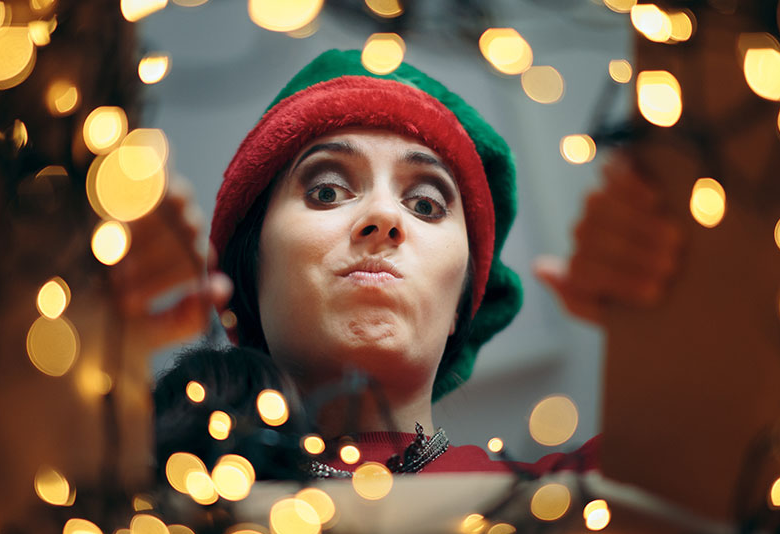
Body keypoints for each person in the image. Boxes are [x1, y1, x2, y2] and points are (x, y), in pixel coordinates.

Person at [149, 49, 682, 477]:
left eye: (425, 204)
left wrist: (682, 312)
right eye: (327, 191)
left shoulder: (591, 493)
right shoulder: (148, 491)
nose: (383, 215)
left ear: (461, 306)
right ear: (250, 271)